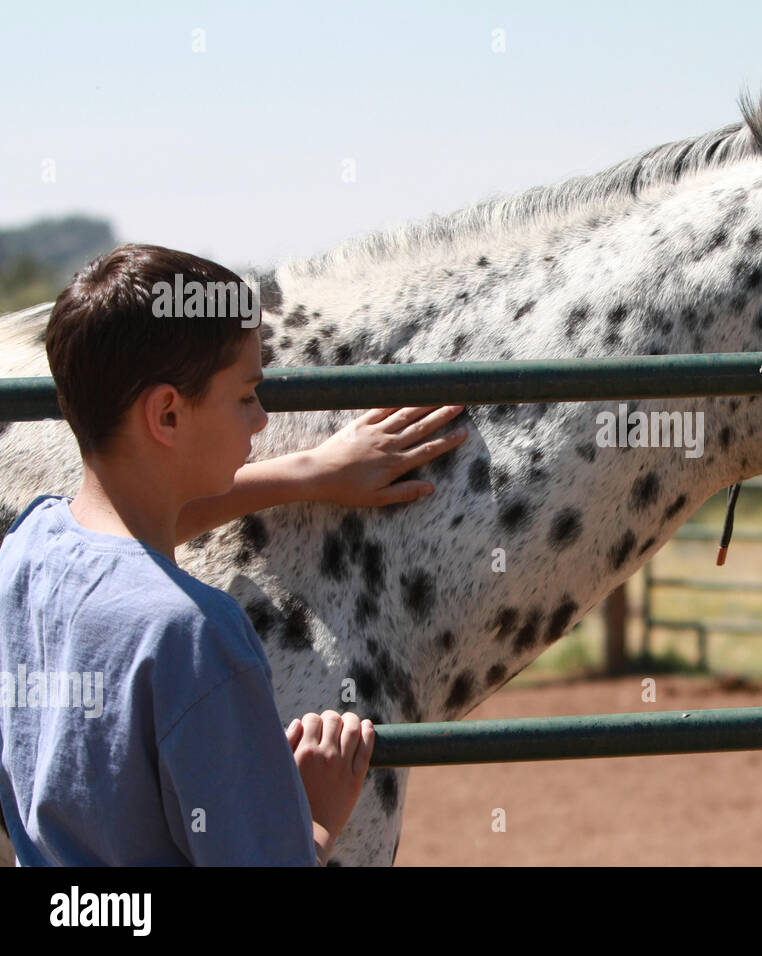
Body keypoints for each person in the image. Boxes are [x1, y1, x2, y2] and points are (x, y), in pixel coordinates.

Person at [0, 243, 466, 865]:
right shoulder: (196, 636)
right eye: (246, 395)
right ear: (166, 412)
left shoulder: (29, 549)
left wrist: (310, 473)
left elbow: (139, 528)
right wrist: (320, 821)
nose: (261, 419)